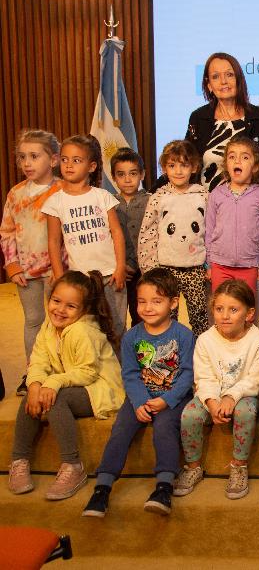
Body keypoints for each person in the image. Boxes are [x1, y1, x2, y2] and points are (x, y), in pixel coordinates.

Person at [82, 268, 195, 518]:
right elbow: (130, 374)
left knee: (165, 429)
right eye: (142, 301)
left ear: (173, 303)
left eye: (157, 301)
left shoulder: (184, 336)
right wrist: (140, 402)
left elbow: (188, 374)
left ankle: (164, 486)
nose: (148, 308)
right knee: (120, 429)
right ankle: (102, 488)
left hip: (172, 398)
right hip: (139, 397)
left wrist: (166, 401)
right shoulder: (132, 336)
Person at [8, 271, 124, 500]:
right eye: (56, 301)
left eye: (70, 306)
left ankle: (73, 465)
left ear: (83, 310)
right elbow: (39, 360)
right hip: (69, 383)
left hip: (99, 388)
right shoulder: (48, 327)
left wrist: (52, 382)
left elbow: (87, 372)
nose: (60, 310)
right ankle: (19, 459)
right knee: (33, 395)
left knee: (54, 400)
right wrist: (34, 386)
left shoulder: (83, 331)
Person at [175, 280, 259, 499]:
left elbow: (256, 380)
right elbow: (204, 377)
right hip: (213, 395)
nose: (225, 316)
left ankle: (238, 466)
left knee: (244, 412)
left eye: (233, 310)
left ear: (249, 313)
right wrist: (212, 402)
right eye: (219, 309)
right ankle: (193, 466)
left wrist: (231, 396)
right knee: (189, 414)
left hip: (246, 395)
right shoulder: (205, 340)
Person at [42, 135, 127, 342]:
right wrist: (60, 275)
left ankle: (118, 371)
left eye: (76, 160)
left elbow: (116, 233)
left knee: (116, 327)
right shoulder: (55, 202)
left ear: (91, 166)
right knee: (84, 328)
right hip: (80, 279)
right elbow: (54, 241)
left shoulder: (102, 196)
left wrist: (120, 267)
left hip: (109, 275)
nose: (69, 165)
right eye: (64, 159)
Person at [1, 129, 62, 396]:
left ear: (53, 160)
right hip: (26, 272)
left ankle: (60, 371)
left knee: (61, 320)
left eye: (34, 156)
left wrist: (62, 268)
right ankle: (33, 372)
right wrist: (12, 266)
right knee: (34, 320)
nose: (27, 163)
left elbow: (69, 234)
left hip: (56, 272)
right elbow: (7, 231)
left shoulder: (62, 191)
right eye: (22, 157)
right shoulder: (15, 194)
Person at [138, 140, 210, 336]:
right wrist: (149, 269)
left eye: (184, 165)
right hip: (166, 269)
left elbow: (211, 231)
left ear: (194, 167)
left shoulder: (203, 195)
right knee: (167, 316)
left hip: (196, 268)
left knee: (200, 316)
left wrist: (210, 264)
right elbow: (148, 232)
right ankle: (170, 353)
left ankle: (199, 355)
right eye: (172, 165)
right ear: (164, 168)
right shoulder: (158, 197)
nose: (178, 171)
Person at [184, 52, 259, 192]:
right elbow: (186, 162)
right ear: (209, 85)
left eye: (229, 75)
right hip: (206, 204)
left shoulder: (258, 116)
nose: (223, 81)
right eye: (215, 77)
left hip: (250, 203)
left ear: (238, 79)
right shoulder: (198, 118)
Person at [205, 135, 259, 295]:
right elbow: (208, 230)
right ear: (226, 164)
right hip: (219, 264)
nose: (237, 161)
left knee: (245, 309)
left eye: (245, 157)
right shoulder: (216, 194)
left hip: (248, 265)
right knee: (221, 306)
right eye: (232, 156)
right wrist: (209, 264)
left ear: (255, 166)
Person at [111, 147, 150, 327]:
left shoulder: (151, 201)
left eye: (133, 173)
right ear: (113, 177)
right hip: (118, 269)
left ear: (142, 174)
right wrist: (119, 264)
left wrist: (136, 263)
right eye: (121, 174)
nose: (127, 180)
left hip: (143, 270)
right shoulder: (108, 203)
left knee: (140, 314)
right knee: (116, 316)